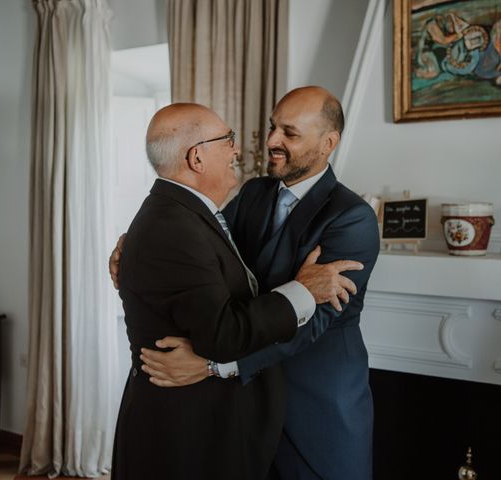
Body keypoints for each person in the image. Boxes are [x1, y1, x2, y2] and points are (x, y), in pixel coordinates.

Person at [111, 102, 363, 480]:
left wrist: (214, 366)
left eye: (289, 133)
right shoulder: (252, 194)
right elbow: (193, 250)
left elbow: (318, 321)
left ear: (328, 143)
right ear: (197, 158)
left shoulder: (351, 216)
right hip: (216, 418)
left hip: (311, 406)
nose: (269, 141)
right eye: (272, 127)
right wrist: (135, 246)